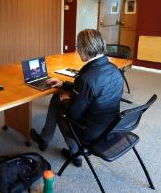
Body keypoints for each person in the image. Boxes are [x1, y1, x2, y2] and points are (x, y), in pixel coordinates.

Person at [30, 29, 124, 167]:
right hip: (110, 124)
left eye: (78, 47)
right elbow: (92, 90)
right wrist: (63, 84)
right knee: (60, 96)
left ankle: (72, 151)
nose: (77, 50)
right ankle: (49, 140)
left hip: (90, 131)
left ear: (85, 48)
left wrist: (66, 99)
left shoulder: (86, 78)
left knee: (57, 100)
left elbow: (74, 113)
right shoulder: (113, 69)